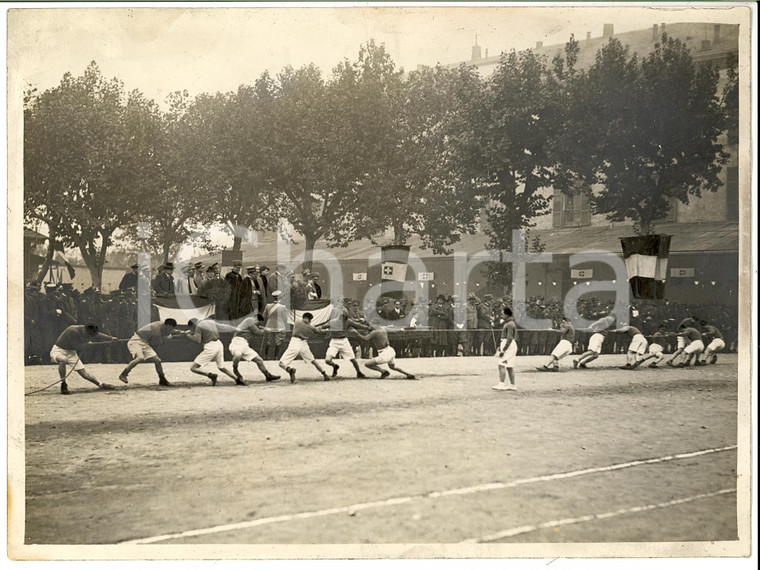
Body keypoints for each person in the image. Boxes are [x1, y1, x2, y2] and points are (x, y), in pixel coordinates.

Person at [50, 323, 119, 395]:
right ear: (84, 331)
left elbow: (98, 334)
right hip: (58, 350)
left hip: (71, 352)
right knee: (63, 360)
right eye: (88, 336)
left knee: (84, 374)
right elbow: (77, 347)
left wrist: (111, 338)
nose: (88, 337)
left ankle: (100, 384)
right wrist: (88, 344)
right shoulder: (73, 330)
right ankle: (63, 384)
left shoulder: (88, 329)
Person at [183, 318, 242, 386]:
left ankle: (210, 375)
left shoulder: (198, 326)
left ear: (193, 325)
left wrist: (189, 335)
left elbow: (198, 340)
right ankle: (237, 379)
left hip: (210, 346)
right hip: (219, 344)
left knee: (193, 368)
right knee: (221, 367)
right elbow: (224, 327)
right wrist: (236, 329)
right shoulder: (210, 322)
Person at [118, 318, 178, 386]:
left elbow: (171, 331)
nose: (170, 330)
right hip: (135, 341)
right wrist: (166, 338)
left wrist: (182, 332)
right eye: (170, 328)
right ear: (166, 325)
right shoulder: (156, 329)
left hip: (145, 343)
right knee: (140, 358)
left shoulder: (162, 325)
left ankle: (162, 380)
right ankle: (124, 374)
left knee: (157, 360)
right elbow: (156, 342)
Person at [349, 321, 416, 380]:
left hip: (384, 353)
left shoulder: (375, 332)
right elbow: (394, 330)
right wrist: (401, 329)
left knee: (367, 364)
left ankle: (383, 371)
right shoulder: (383, 328)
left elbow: (365, 339)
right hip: (390, 350)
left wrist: (356, 333)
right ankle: (408, 374)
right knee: (393, 367)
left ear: (377, 325)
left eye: (372, 325)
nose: (370, 326)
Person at [278, 312, 331, 383]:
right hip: (304, 343)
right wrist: (325, 329)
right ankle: (324, 374)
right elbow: (318, 331)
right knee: (313, 360)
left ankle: (289, 369)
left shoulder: (297, 321)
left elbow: (305, 326)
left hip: (294, 341)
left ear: (303, 317)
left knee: (281, 363)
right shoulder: (310, 326)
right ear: (310, 319)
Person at [324, 297, 369, 379]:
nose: (344, 317)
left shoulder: (347, 320)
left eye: (345, 315)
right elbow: (323, 325)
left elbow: (357, 324)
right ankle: (335, 366)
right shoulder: (333, 319)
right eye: (343, 315)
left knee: (353, 359)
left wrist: (368, 327)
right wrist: (313, 328)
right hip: (334, 341)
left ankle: (359, 372)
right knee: (327, 360)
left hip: (344, 340)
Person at [230, 315, 281, 383]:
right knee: (238, 355)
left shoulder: (252, 323)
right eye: (259, 322)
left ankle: (268, 376)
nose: (258, 324)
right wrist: (267, 331)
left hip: (244, 344)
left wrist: (269, 330)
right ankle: (235, 369)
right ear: (255, 319)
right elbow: (257, 332)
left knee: (259, 360)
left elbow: (260, 328)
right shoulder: (250, 320)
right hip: (237, 342)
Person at [492, 306, 518, 391]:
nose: (501, 315)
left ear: (507, 314)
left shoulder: (509, 324)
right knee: (510, 366)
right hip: (509, 344)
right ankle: (512, 385)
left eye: (502, 314)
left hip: (508, 345)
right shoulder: (509, 323)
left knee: (501, 364)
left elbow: (509, 338)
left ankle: (502, 384)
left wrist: (503, 350)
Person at [263, 290, 288, 359]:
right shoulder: (283, 307)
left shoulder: (268, 306)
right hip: (279, 326)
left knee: (268, 341)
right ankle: (276, 357)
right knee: (278, 342)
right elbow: (285, 318)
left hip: (269, 326)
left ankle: (266, 356)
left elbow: (264, 316)